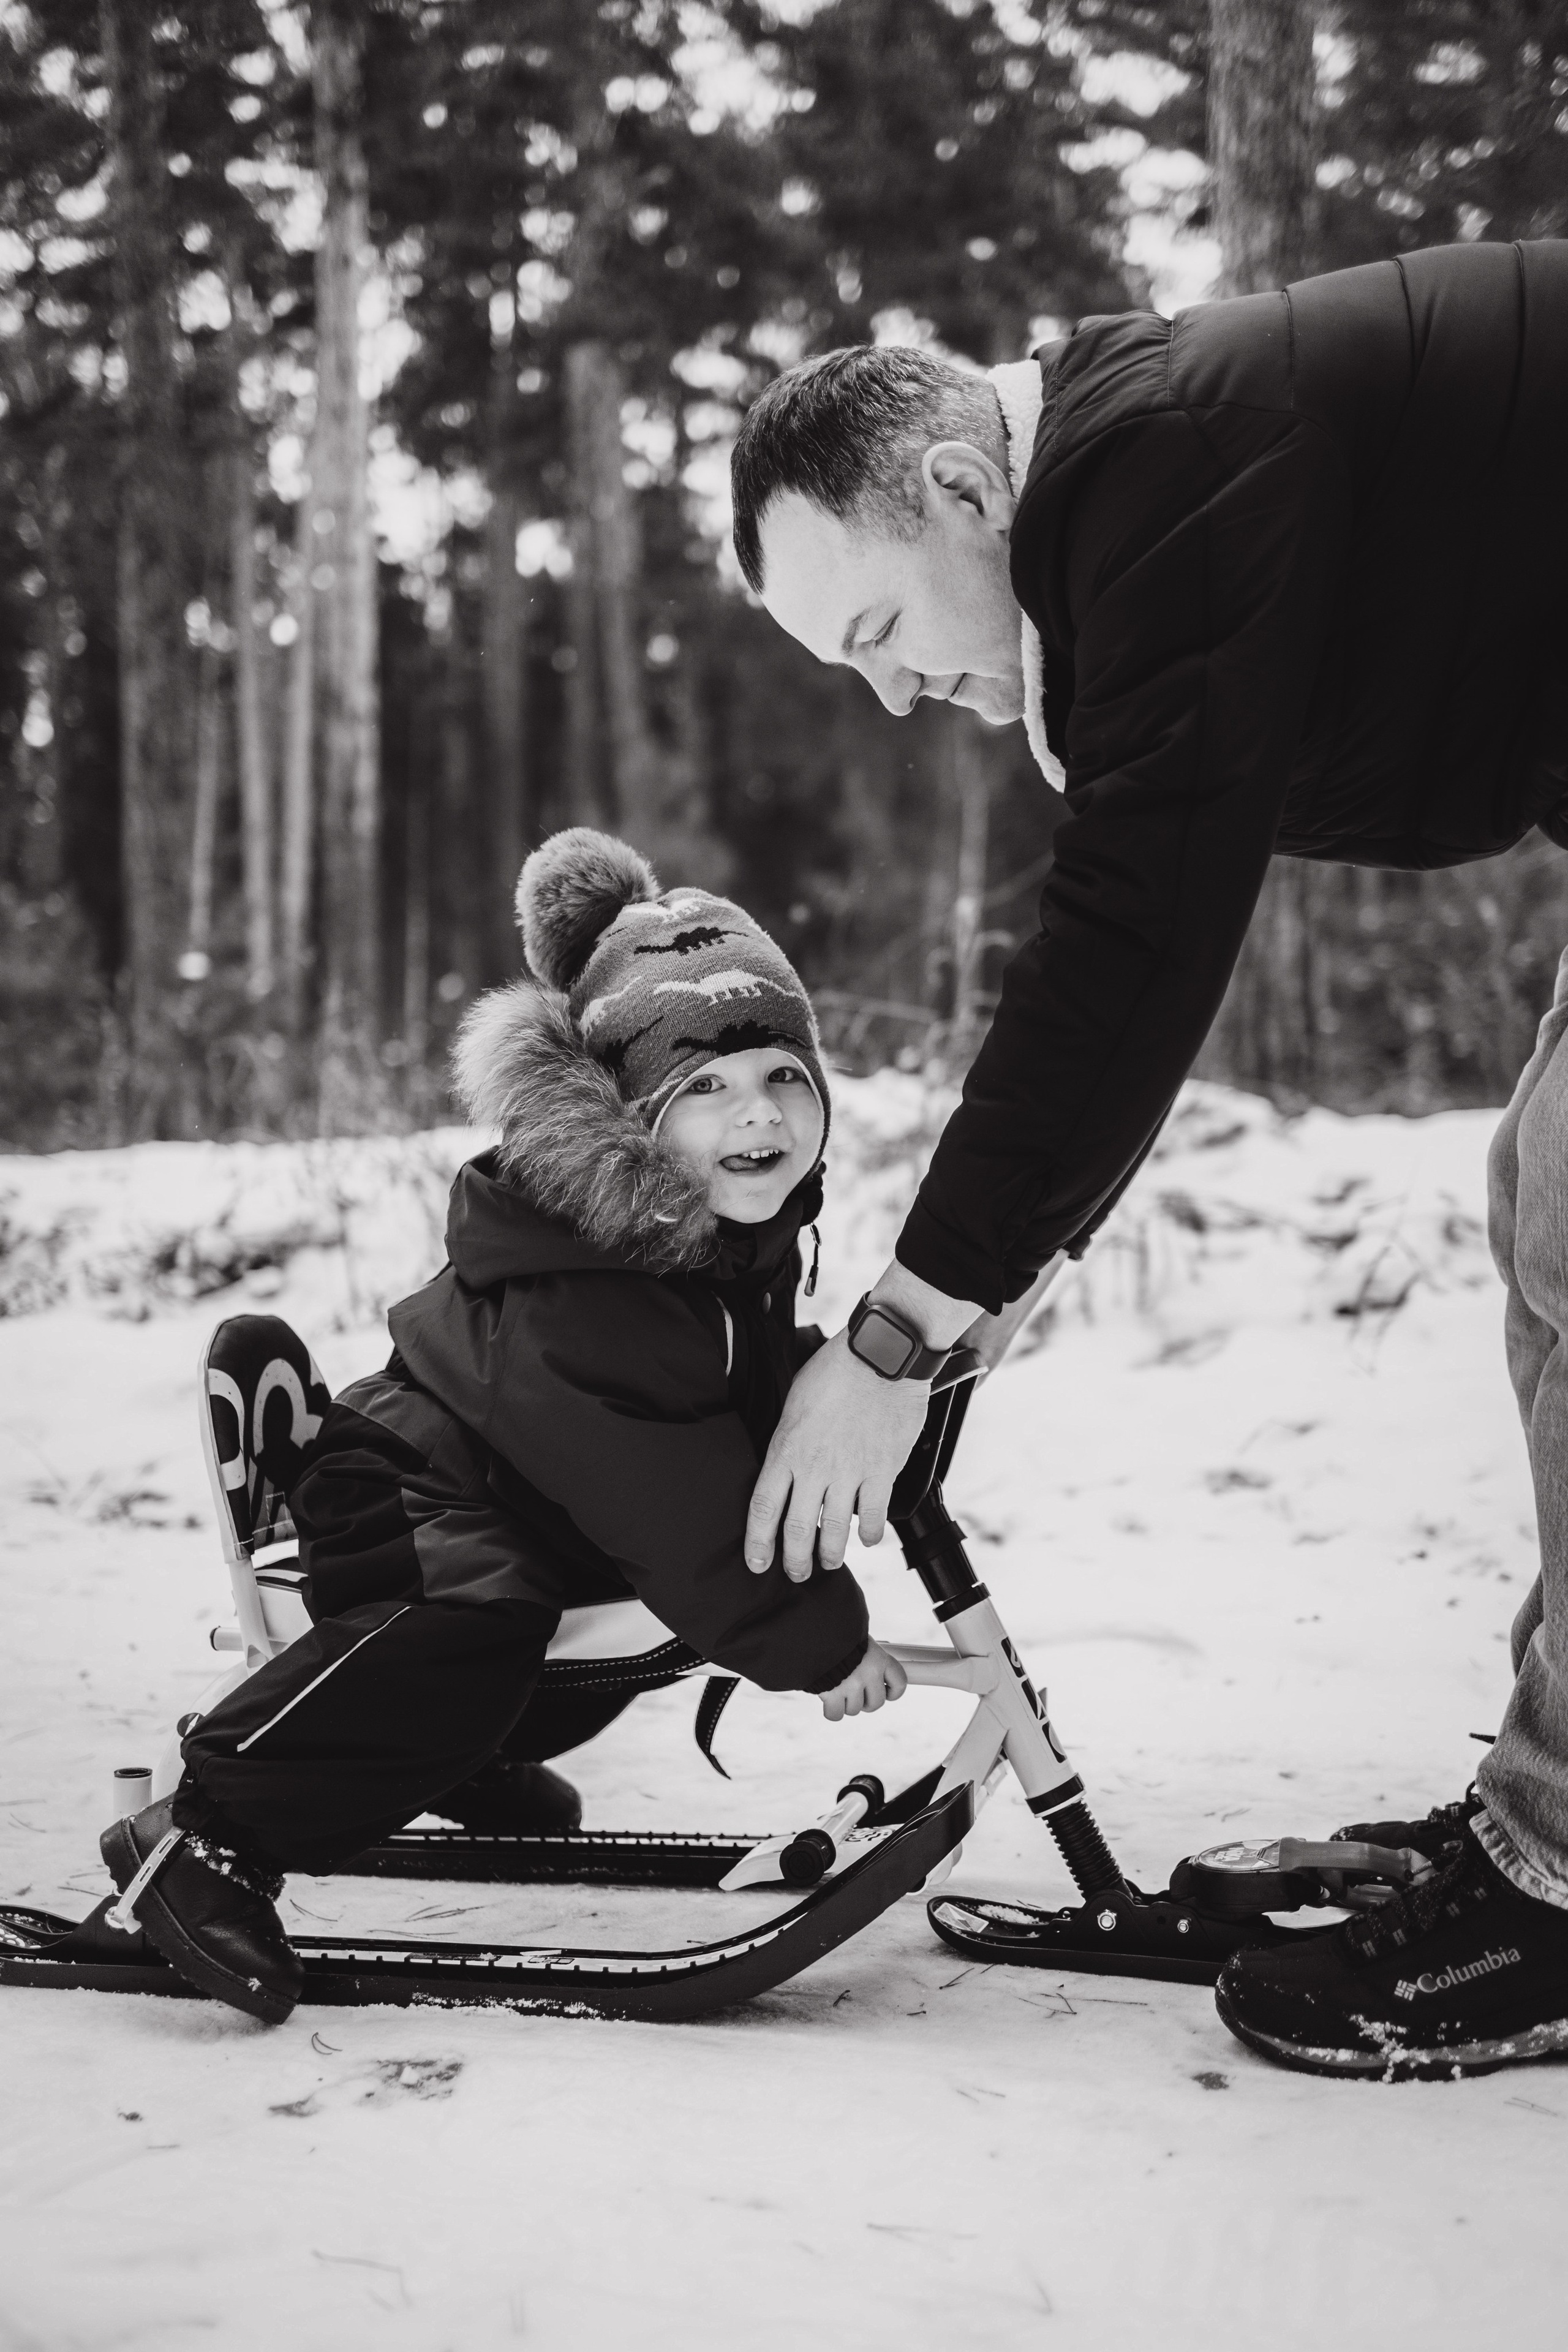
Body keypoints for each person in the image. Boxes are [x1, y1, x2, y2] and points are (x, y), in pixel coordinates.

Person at [729, 237, 1568, 2079]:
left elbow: (1133, 937)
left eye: (876, 634)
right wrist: (1010, 1273)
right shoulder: (1145, 475)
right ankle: (1547, 1805)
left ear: (964, 488)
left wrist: (900, 1330)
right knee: (1544, 1207)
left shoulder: (1160, 468)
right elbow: (1158, 937)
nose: (894, 697)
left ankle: (1561, 1870)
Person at [100, 829, 908, 2024]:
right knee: (473, 1624)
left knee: (576, 1626)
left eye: (784, 1076)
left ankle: (458, 1753)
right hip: (409, 1486)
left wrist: (859, 1384)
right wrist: (816, 1639)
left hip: (520, 1492)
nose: (759, 1115)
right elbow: (669, 1503)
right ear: (627, 1116)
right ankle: (208, 1833)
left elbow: (719, 1389)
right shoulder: (590, 1286)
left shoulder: (716, 1237)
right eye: (705, 1088)